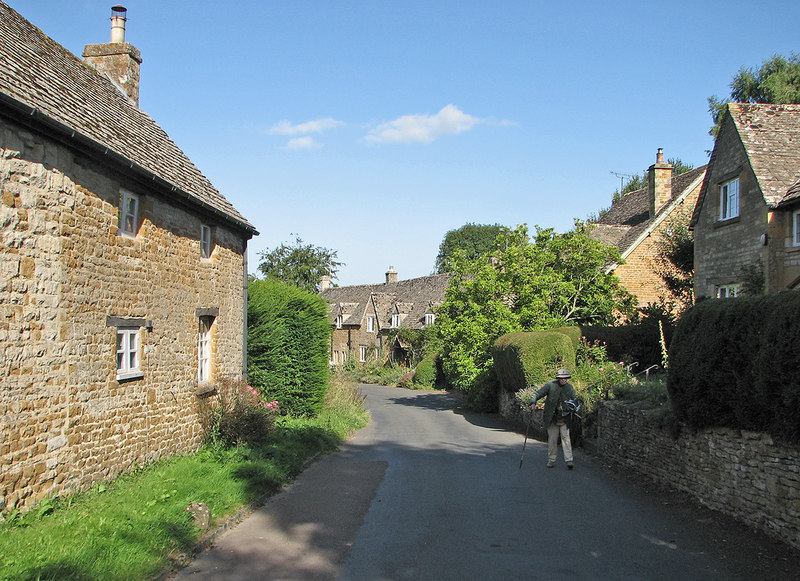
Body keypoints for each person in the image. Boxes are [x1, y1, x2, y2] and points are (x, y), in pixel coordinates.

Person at [531, 369, 576, 469]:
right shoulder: (550, 385)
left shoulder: (570, 388)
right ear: (558, 378)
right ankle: (551, 460)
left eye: (565, 378)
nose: (564, 380)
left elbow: (574, 400)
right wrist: (533, 402)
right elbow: (537, 394)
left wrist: (574, 406)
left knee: (566, 438)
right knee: (552, 440)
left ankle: (569, 461)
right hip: (552, 418)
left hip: (565, 418)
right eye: (562, 378)